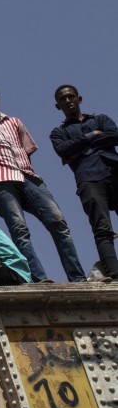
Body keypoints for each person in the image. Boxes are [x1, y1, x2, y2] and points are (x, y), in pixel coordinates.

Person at [0, 83, 85, 283]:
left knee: (58, 222)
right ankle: (39, 279)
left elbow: (26, 151)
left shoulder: (15, 122)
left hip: (28, 177)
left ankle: (78, 277)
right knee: (19, 230)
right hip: (1, 180)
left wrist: (29, 175)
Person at [50, 85, 118, 281]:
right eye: (63, 99)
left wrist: (79, 151)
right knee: (102, 228)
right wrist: (93, 135)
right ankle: (114, 273)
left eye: (71, 96)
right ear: (58, 105)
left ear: (79, 99)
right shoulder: (58, 132)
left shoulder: (101, 119)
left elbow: (115, 135)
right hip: (89, 179)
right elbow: (63, 149)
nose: (68, 100)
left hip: (114, 172)